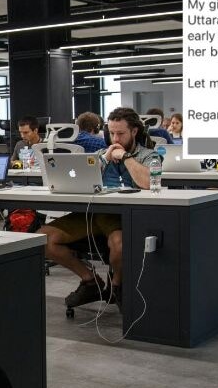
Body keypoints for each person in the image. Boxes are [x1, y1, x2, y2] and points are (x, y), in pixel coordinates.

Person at [38, 107, 157, 313]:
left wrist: (126, 157)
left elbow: (148, 183)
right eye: (112, 133)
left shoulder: (149, 155)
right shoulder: (101, 154)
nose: (115, 138)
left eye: (121, 133)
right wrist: (105, 159)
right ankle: (90, 280)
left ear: (134, 131)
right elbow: (81, 181)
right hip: (94, 214)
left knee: (119, 245)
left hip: (123, 216)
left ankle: (117, 286)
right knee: (43, 238)